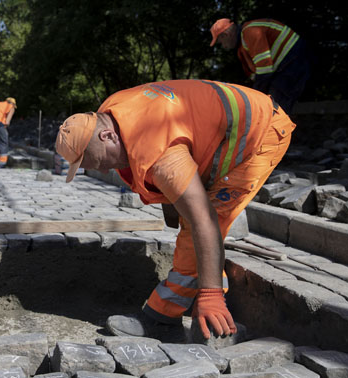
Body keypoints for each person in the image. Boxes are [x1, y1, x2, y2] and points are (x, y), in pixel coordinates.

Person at [55, 80, 294, 340]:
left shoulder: (161, 155)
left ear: (107, 136)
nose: (101, 170)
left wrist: (210, 293)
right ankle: (200, 305)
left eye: (96, 161)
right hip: (227, 122)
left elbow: (205, 218)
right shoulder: (111, 112)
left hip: (261, 133)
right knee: (190, 212)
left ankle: (173, 316)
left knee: (203, 217)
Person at [210, 18, 313, 113]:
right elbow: (257, 75)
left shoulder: (250, 32)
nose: (223, 46)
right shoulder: (243, 45)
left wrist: (255, 97)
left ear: (226, 34)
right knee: (272, 105)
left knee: (276, 107)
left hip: (293, 59)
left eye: (221, 42)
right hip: (287, 63)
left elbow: (265, 70)